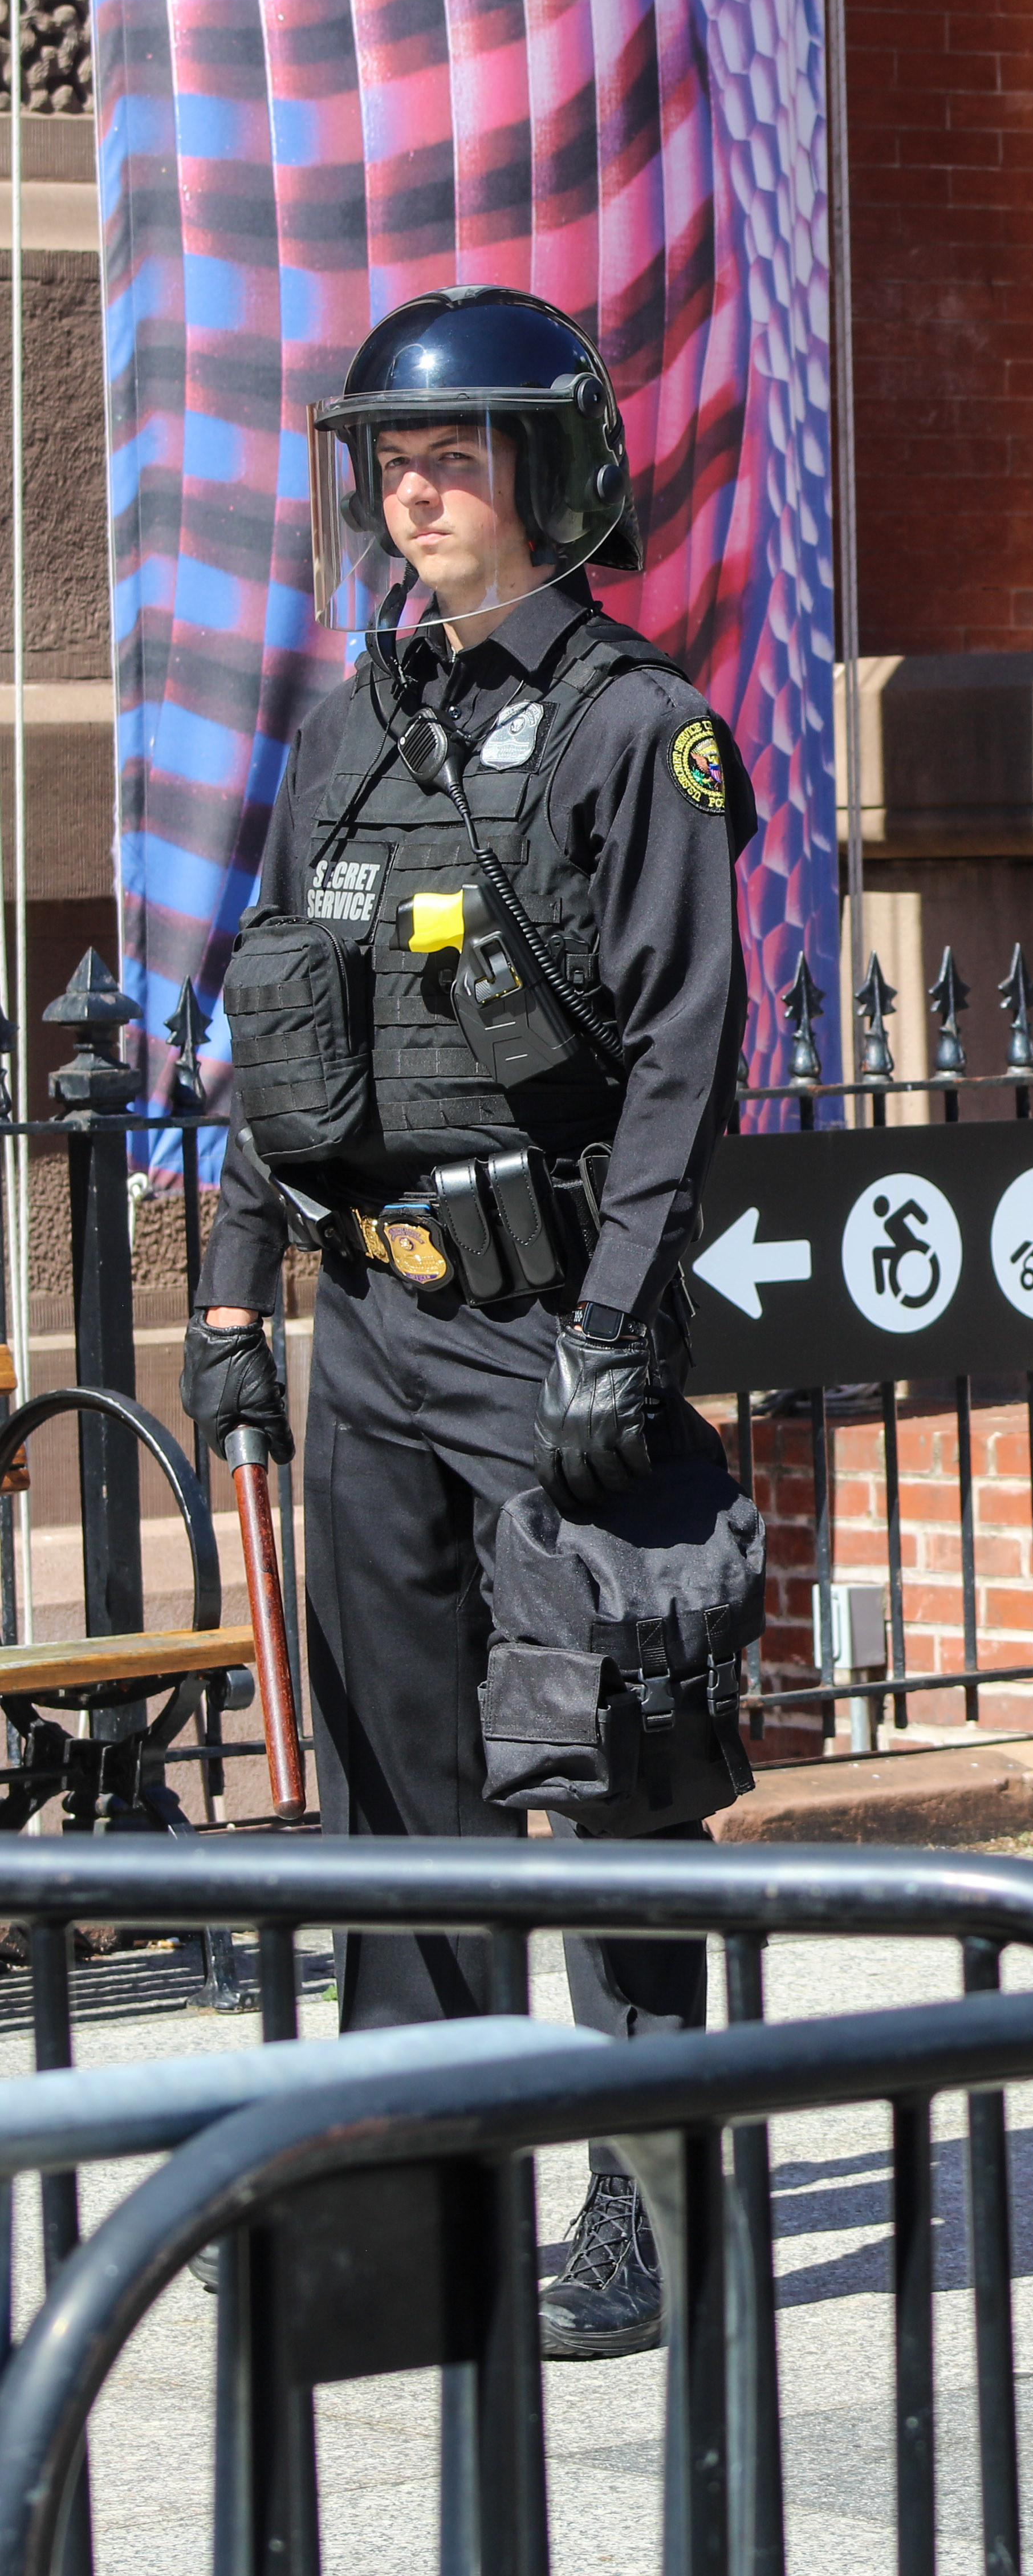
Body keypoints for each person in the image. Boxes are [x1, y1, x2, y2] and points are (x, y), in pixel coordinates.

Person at [178, 286, 759, 2360]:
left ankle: (656, 2203)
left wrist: (619, 1325)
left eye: (456, 460)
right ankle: (419, 2195)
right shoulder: (352, 725)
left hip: (549, 1333)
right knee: (394, 1780)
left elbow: (697, 1044)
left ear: (554, 478)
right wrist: (236, 1297)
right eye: (392, 465)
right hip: (382, 1339)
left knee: (609, 1769)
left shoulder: (635, 723)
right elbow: (285, 1025)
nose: (415, 495)